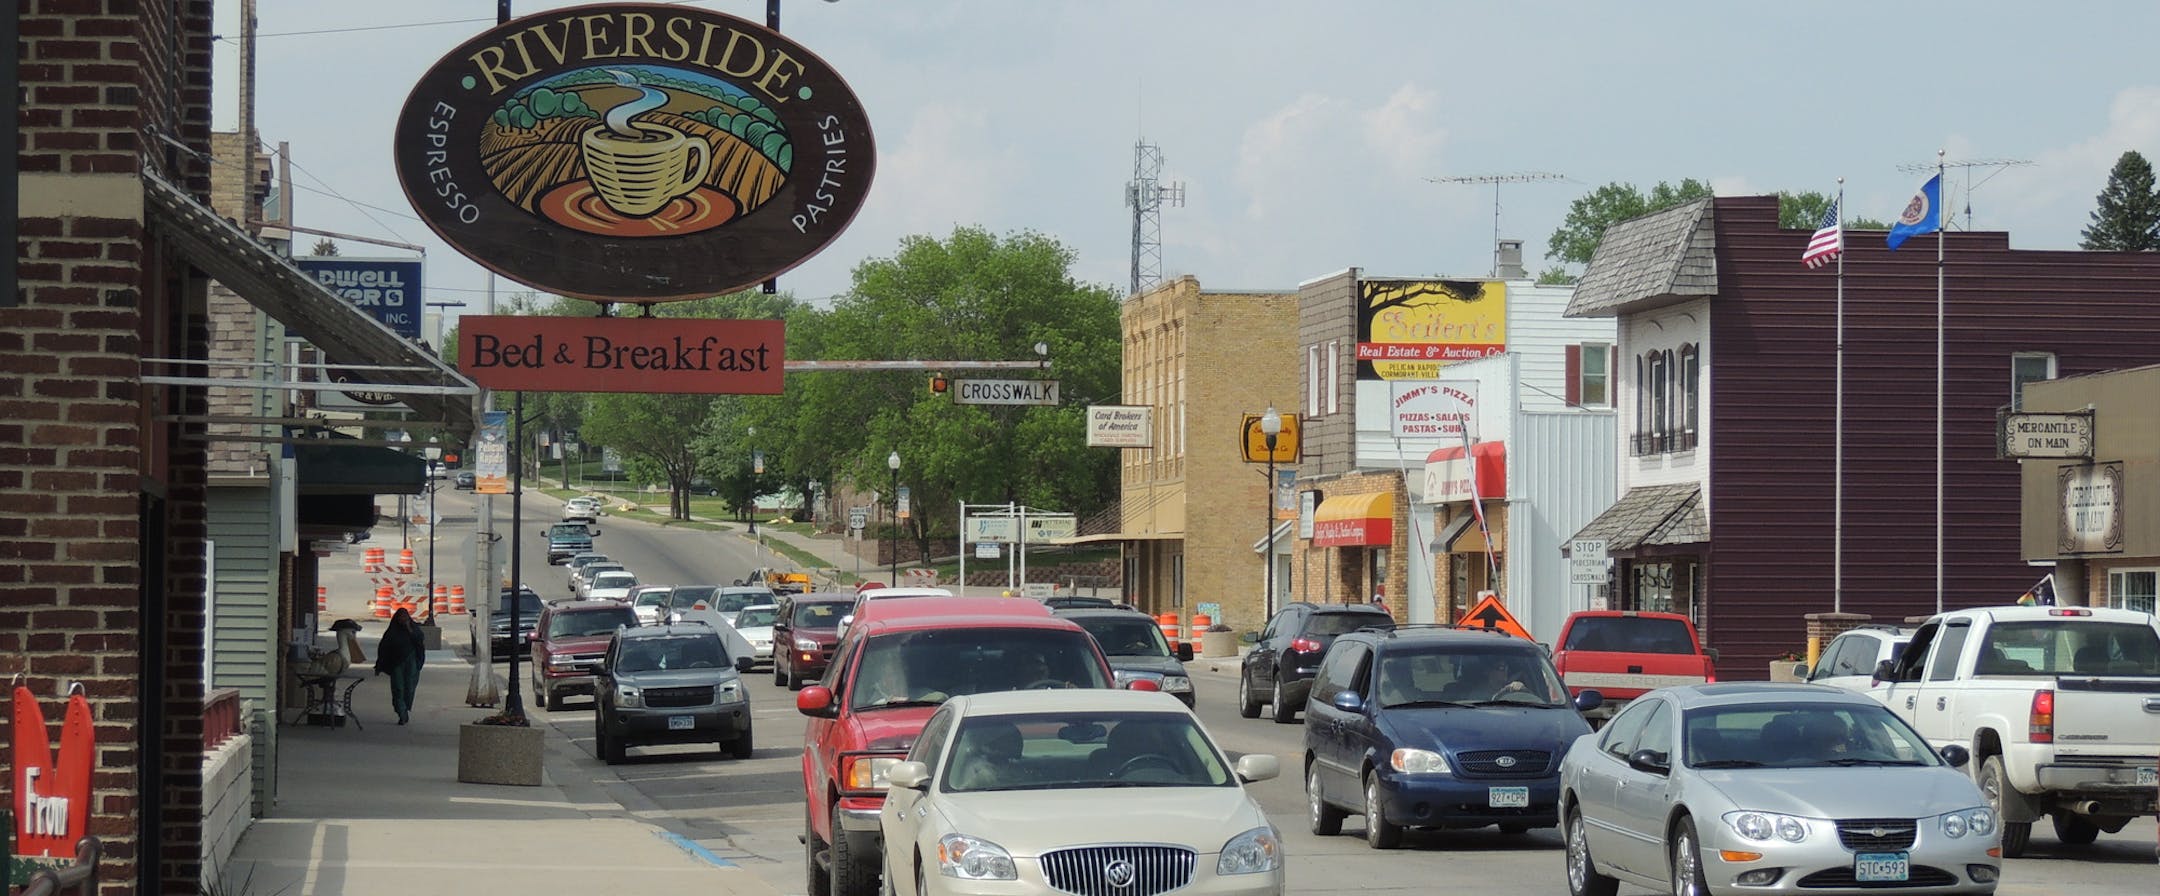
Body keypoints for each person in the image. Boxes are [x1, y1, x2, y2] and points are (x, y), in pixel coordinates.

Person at [374, 608, 427, 725]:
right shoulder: (392, 632)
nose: (403, 620)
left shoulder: (414, 630)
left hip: (411, 662)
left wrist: (409, 629)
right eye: (401, 618)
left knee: (409, 687)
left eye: (405, 617)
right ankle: (402, 713)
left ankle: (406, 708)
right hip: (396, 664)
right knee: (398, 688)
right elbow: (383, 649)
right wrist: (379, 665)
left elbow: (419, 642)